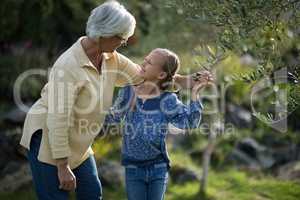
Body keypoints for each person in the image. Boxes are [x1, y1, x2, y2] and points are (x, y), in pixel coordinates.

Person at [19, 1, 208, 200]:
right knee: (55, 197)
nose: (123, 43)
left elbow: (143, 76)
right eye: (122, 38)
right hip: (48, 138)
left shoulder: (110, 57)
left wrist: (186, 81)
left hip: (78, 140)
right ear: (105, 35)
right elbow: (57, 119)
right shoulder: (67, 67)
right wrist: (62, 166)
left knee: (92, 193)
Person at [104, 48, 212, 200]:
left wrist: (195, 93)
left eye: (149, 62)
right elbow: (114, 117)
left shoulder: (168, 100)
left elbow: (190, 122)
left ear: (161, 75)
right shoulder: (129, 91)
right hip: (133, 167)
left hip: (158, 167)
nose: (143, 63)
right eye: (145, 59)